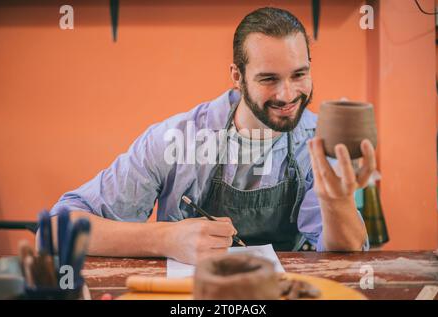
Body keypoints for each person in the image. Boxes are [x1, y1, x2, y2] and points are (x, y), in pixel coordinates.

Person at [48, 7, 374, 265]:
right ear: (237, 76)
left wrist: (338, 201)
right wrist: (164, 239)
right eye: (268, 79)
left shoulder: (317, 141)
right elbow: (55, 232)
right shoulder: (177, 140)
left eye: (299, 74)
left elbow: (347, 257)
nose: (288, 94)